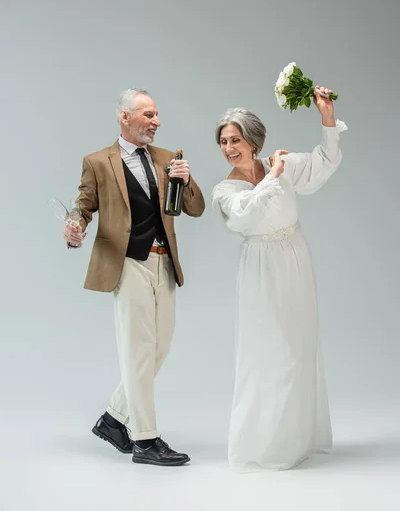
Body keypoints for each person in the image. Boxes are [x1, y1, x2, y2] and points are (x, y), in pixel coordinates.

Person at [64, 88, 205, 466]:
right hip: (127, 262)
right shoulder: (97, 162)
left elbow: (195, 208)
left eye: (157, 114)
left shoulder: (167, 157)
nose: (156, 121)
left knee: (159, 349)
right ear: (125, 117)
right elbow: (83, 205)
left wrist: (187, 179)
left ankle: (113, 419)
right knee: (139, 350)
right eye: (148, 114)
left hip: (165, 262)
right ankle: (145, 439)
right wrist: (74, 226)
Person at [211, 86, 347, 471]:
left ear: (252, 140)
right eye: (223, 141)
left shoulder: (280, 164)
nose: (228, 147)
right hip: (260, 268)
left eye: (235, 139)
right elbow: (244, 215)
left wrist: (326, 116)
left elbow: (325, 159)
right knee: (267, 354)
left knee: (299, 349)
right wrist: (271, 176)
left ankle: (295, 440)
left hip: (295, 260)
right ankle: (262, 445)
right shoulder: (226, 189)